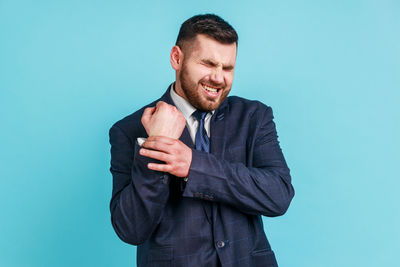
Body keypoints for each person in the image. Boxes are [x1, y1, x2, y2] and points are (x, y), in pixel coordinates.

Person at [109, 14, 294, 267]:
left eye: (227, 68)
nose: (218, 78)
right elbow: (131, 229)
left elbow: (279, 194)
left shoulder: (254, 117)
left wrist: (193, 165)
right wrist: (157, 142)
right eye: (208, 64)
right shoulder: (129, 129)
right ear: (177, 58)